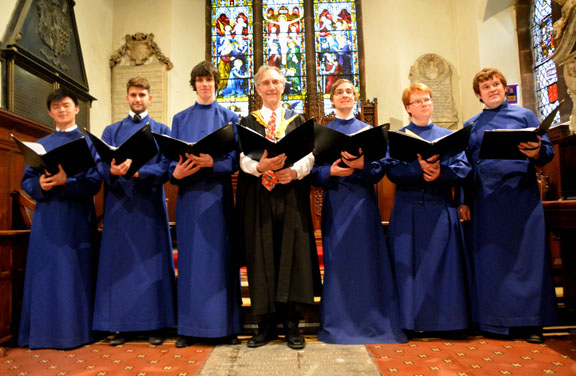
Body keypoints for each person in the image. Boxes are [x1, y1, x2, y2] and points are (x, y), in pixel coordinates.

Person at [458, 68, 557, 343]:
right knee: (491, 261)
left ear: (505, 88)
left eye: (496, 84)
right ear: (479, 94)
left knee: (527, 261)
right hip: (485, 201)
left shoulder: (525, 116)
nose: (492, 89)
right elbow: (464, 168)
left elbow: (546, 152)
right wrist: (463, 201)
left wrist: (536, 151)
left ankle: (531, 323)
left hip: (521, 198)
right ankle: (491, 321)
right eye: (486, 86)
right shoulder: (472, 125)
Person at [310, 79, 407, 344]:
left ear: (355, 98)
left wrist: (363, 164)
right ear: (332, 99)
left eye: (349, 92)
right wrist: (330, 170)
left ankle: (371, 321)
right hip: (337, 203)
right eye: (339, 92)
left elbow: (379, 171)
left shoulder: (369, 131)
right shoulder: (324, 132)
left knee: (367, 260)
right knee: (339, 262)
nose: (344, 95)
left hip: (363, 205)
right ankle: (339, 322)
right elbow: (314, 173)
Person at [236, 65, 321, 349]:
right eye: (265, 83)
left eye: (276, 82)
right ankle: (265, 326)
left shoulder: (297, 121)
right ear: (258, 89)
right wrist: (259, 166)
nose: (271, 87)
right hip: (260, 197)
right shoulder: (248, 123)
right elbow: (241, 158)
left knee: (293, 257)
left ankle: (292, 325)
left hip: (290, 195)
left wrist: (294, 172)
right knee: (262, 258)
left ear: (284, 86)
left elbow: (310, 156)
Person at [92, 77, 177, 346]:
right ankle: (122, 326)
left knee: (151, 265)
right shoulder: (111, 130)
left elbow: (166, 167)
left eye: (142, 94)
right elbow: (98, 165)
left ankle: (156, 325)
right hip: (119, 206)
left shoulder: (161, 129)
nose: (137, 99)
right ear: (126, 98)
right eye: (133, 95)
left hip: (150, 205)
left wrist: (141, 171)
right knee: (121, 267)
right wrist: (111, 171)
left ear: (150, 98)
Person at [18, 89, 102, 349]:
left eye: (66, 105)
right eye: (56, 107)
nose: (62, 110)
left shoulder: (87, 142)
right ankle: (42, 335)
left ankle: (76, 334)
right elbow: (27, 181)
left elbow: (95, 181)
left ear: (77, 109)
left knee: (74, 274)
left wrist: (67, 182)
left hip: (76, 217)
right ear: (50, 112)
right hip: (47, 218)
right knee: (46, 275)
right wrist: (41, 184)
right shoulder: (40, 144)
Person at [387, 83, 471, 338]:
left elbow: (464, 169)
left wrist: (441, 173)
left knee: (444, 267)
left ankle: (449, 323)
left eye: (427, 100)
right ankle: (412, 323)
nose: (424, 104)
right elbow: (391, 170)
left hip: (440, 207)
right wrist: (419, 169)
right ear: (408, 108)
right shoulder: (399, 137)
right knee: (409, 269)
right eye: (417, 101)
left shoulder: (448, 136)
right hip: (408, 209)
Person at [170, 61, 242, 347]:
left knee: (220, 260)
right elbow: (170, 156)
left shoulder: (229, 116)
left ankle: (226, 327)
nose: (204, 84)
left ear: (216, 83)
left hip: (218, 196)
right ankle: (188, 328)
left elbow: (236, 160)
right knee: (190, 262)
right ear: (194, 84)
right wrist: (174, 173)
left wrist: (214, 162)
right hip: (189, 196)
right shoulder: (180, 118)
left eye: (209, 79)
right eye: (199, 79)